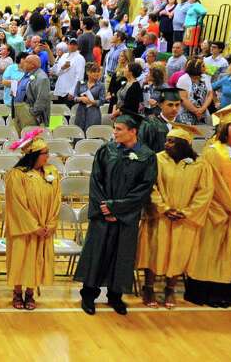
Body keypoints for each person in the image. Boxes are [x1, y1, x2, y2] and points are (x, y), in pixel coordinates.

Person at [75, 113, 157, 315]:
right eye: (115, 129)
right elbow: (96, 181)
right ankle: (88, 295)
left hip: (126, 216)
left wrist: (117, 208)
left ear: (133, 131)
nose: (114, 132)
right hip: (103, 214)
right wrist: (105, 208)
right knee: (97, 253)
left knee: (122, 256)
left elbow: (144, 188)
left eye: (119, 129)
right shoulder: (106, 151)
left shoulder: (147, 156)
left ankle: (115, 296)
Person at [136, 123, 212, 309]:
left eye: (172, 141)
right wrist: (164, 208)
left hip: (184, 218)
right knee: (154, 252)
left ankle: (170, 289)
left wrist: (186, 212)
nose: (166, 144)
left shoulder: (200, 164)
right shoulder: (157, 160)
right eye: (167, 140)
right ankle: (149, 288)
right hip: (160, 216)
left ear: (184, 144)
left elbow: (205, 192)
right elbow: (150, 187)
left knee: (179, 253)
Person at [185, 105, 231, 308]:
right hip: (217, 211)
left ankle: (230, 293)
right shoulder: (213, 151)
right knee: (212, 253)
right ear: (223, 127)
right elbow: (213, 183)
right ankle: (207, 293)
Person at [5, 129, 61, 310]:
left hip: (44, 226)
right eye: (45, 153)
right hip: (24, 227)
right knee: (21, 259)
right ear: (35, 155)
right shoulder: (17, 174)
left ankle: (30, 292)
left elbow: (57, 199)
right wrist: (33, 226)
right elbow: (16, 204)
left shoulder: (51, 172)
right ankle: (17, 292)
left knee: (37, 260)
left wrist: (51, 223)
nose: (48, 156)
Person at [139, 87, 185, 153]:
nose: (174, 108)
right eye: (170, 105)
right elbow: (141, 146)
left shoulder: (182, 126)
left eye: (177, 105)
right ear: (160, 105)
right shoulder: (150, 124)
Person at [13, 55, 51, 133]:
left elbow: (42, 98)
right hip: (19, 110)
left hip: (28, 112)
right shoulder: (28, 74)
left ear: (33, 65)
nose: (23, 63)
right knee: (19, 137)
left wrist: (33, 112)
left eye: (26, 61)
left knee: (28, 139)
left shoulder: (42, 77)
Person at [176, 58, 213, 125]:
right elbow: (183, 98)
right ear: (196, 67)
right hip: (186, 113)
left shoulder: (205, 77)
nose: (205, 67)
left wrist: (202, 109)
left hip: (202, 112)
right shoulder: (183, 79)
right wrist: (196, 111)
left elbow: (210, 94)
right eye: (203, 66)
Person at [73, 62, 105, 132]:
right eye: (94, 72)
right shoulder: (80, 83)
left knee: (92, 134)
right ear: (87, 72)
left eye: (98, 72)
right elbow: (74, 97)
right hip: (80, 112)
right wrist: (81, 98)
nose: (97, 74)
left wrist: (91, 101)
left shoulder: (101, 85)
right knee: (79, 133)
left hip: (93, 112)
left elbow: (102, 101)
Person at [53, 38, 85, 104]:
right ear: (67, 45)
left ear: (77, 46)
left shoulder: (80, 58)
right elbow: (57, 73)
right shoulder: (64, 56)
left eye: (74, 44)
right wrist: (63, 68)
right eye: (70, 44)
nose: (72, 46)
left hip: (70, 92)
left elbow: (79, 77)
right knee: (60, 112)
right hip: (61, 90)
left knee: (68, 112)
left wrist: (72, 92)